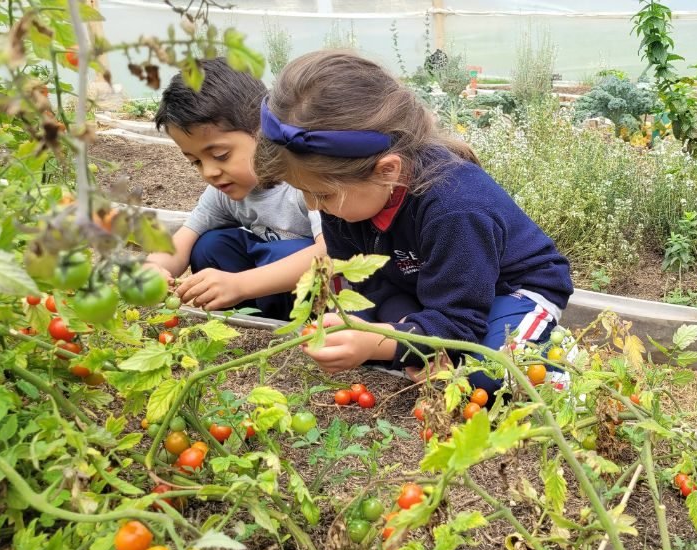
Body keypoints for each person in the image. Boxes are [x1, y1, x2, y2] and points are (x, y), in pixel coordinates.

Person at [254, 50, 573, 396]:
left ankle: (557, 357)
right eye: (305, 192)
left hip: (509, 291)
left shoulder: (455, 207)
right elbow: (372, 283)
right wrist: (399, 334)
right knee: (413, 352)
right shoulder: (343, 202)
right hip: (425, 289)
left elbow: (459, 317)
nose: (314, 206)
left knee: (490, 377)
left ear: (387, 171)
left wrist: (386, 342)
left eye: (322, 194)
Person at [146, 57, 326, 321]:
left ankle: (297, 323)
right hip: (267, 290)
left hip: (321, 296)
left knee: (283, 253)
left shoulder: (303, 180)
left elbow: (331, 252)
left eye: (220, 155)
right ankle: (249, 321)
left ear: (264, 131)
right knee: (210, 245)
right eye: (195, 162)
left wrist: (240, 284)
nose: (209, 172)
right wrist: (153, 270)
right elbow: (182, 241)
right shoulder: (222, 191)